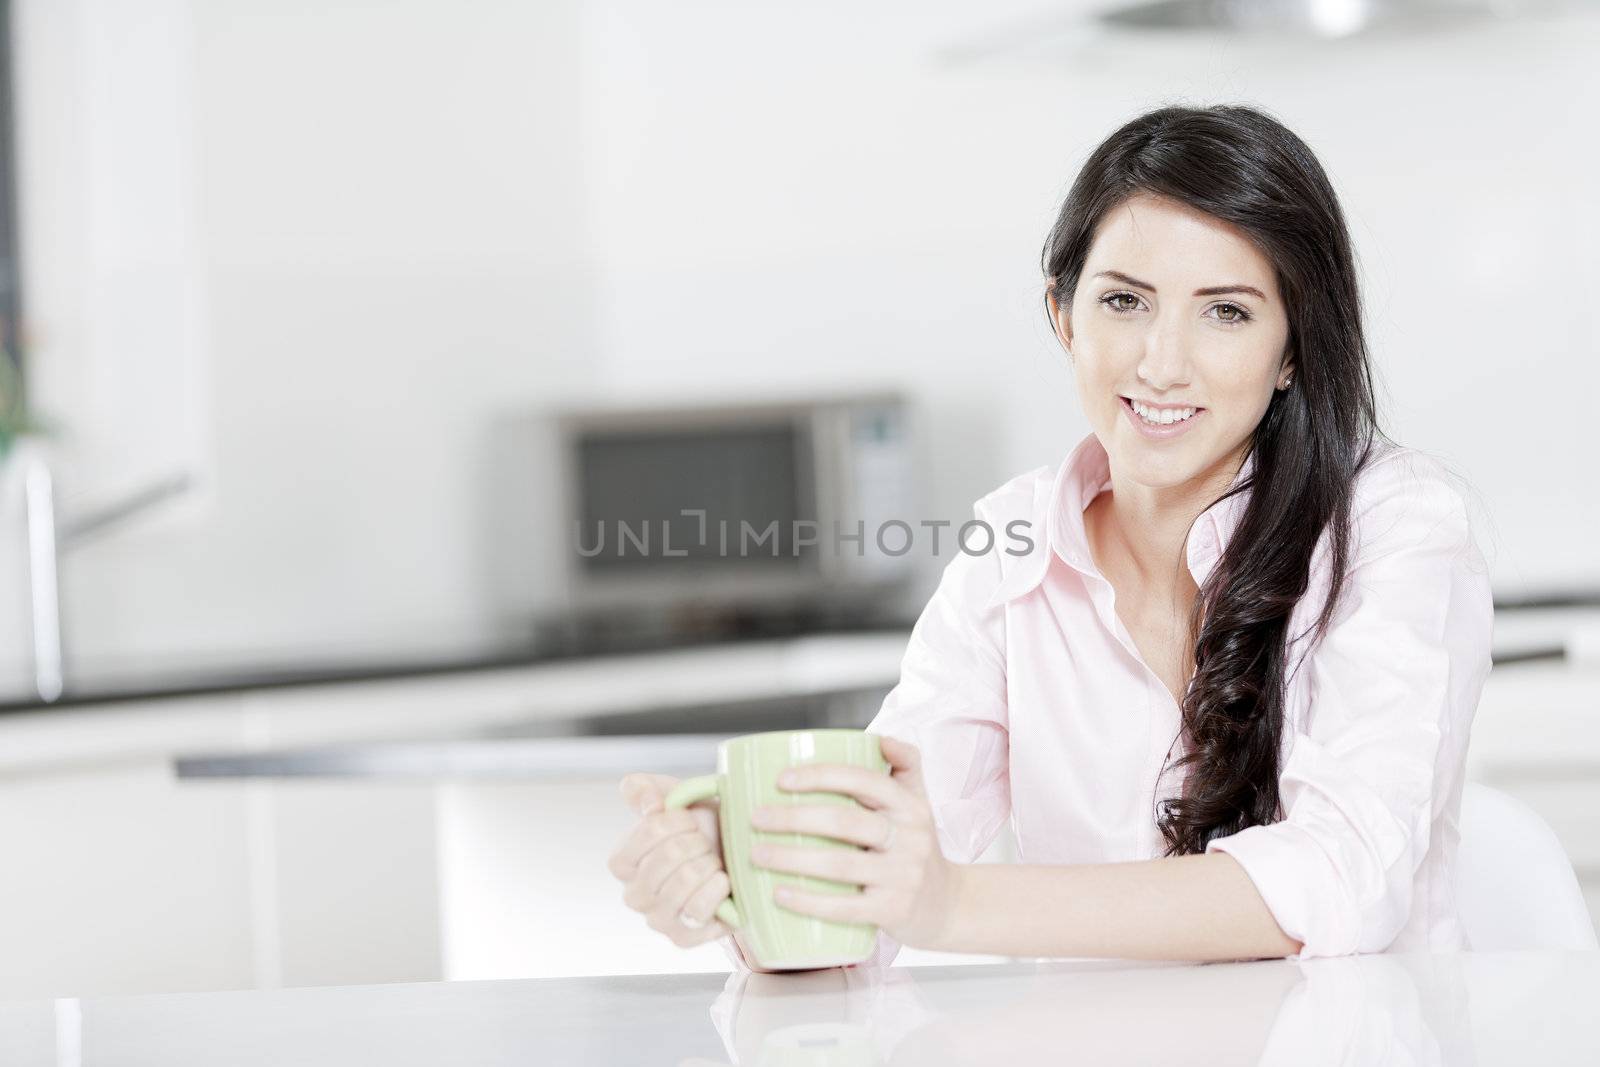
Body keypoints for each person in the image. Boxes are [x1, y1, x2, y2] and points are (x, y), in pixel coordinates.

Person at [606, 102, 1494, 970]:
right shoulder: (1014, 541)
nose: (1162, 362)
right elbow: (875, 883)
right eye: (1124, 301)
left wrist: (951, 902)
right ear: (1064, 316)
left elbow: (1342, 878)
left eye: (1226, 311)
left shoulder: (1391, 521)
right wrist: (743, 883)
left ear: (1293, 348)